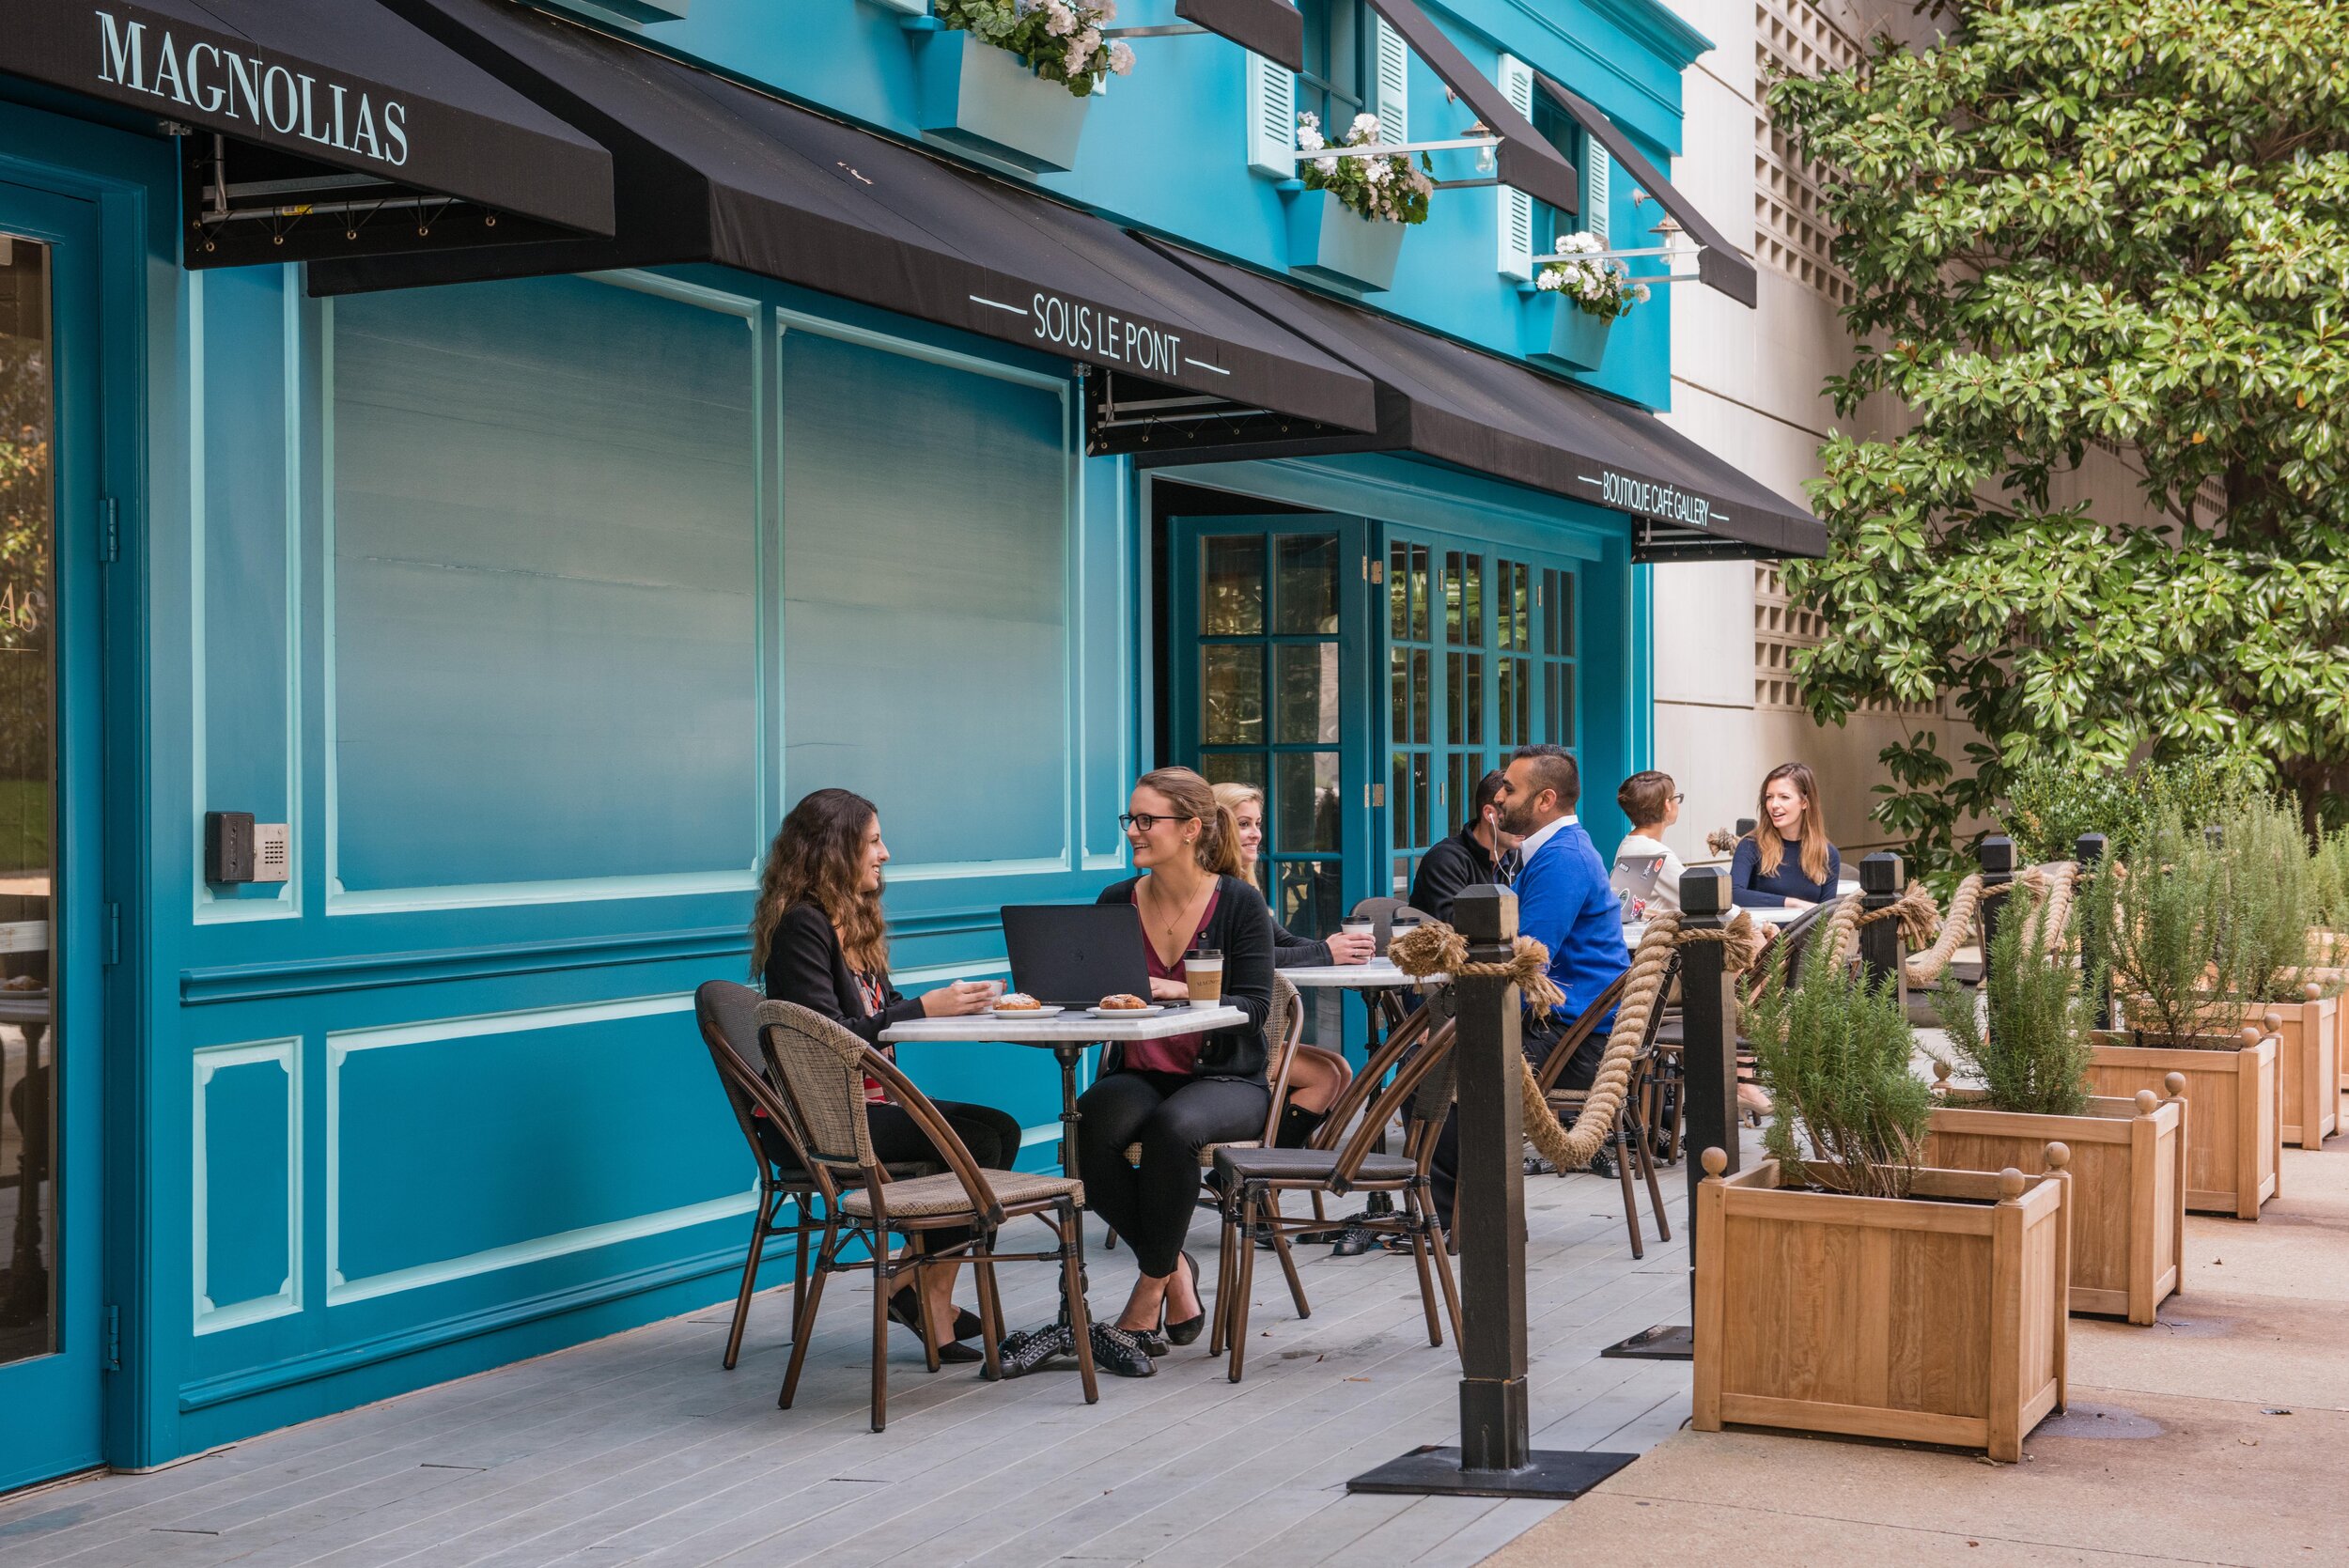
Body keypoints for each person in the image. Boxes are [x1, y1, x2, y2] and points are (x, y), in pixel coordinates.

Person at [754, 788, 1023, 1365]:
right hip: (819, 1124)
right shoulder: (803, 926)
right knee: (976, 1142)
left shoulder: (848, 920)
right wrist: (926, 1009)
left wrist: (962, 1003)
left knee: (1000, 1128)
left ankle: (919, 1289)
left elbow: (880, 1008)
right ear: (834, 849)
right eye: (873, 841)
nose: (886, 853)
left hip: (863, 1109)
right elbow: (828, 1033)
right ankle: (925, 1297)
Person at [1080, 768, 1275, 1352]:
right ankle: (1173, 1268)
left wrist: (1183, 991)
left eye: (1147, 821)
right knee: (1087, 1126)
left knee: (1173, 1131)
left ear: (1191, 829)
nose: (1134, 831)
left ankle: (1147, 1290)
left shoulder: (1238, 901)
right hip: (1141, 1072)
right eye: (1130, 820)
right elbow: (1094, 988)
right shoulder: (1116, 901)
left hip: (1226, 1078)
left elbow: (1258, 1005)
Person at [1429, 745, 1631, 1223]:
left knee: (1447, 1071)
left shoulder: (1562, 858)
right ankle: (1448, 1212)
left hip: (1576, 1043)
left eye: (1509, 788)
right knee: (1433, 1059)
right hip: (1569, 1028)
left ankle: (1442, 1218)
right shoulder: (1555, 852)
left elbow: (1526, 965)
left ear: (1544, 800)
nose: (1498, 796)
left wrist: (1460, 1026)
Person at [1212, 780, 1366, 1148]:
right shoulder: (1217, 890)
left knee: (1340, 1070)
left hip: (1247, 1032)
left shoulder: (1242, 885)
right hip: (1224, 1039)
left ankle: (1265, 1175)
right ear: (1217, 829)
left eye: (1257, 823)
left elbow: (1280, 943)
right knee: (1325, 1078)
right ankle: (1250, 1176)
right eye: (1244, 824)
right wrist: (1326, 953)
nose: (1256, 834)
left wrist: (1338, 948)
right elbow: (1249, 961)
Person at [1409, 769, 1517, 922]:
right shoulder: (1445, 860)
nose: (1524, 823)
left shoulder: (1518, 858)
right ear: (1489, 814)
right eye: (1515, 813)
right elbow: (1457, 926)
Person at [1730, 762, 1842, 908]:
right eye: (1769, 797)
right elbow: (1733, 894)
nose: (1774, 804)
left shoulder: (1827, 854)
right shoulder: (1750, 846)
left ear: (1804, 802)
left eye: (1784, 797)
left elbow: (1826, 915)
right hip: (1762, 931)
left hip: (1808, 932)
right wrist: (1792, 903)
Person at [1610, 771, 1688, 919]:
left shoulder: (1630, 843)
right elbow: (1699, 898)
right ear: (1667, 805)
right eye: (1676, 797)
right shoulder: (1655, 853)